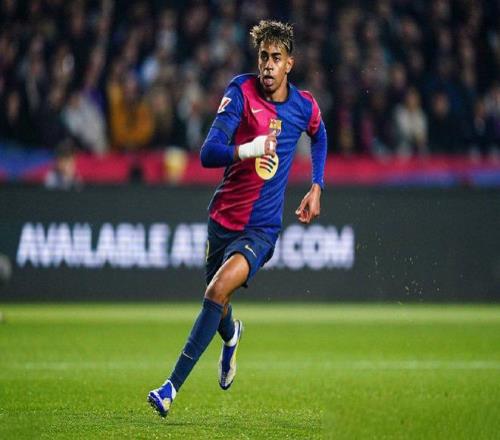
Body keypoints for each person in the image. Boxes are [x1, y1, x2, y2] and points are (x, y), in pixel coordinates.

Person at [147, 20, 327, 418]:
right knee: (219, 300)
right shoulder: (241, 92)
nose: (268, 64)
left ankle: (170, 388)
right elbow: (208, 153)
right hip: (222, 220)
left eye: (276, 58)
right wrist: (249, 148)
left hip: (261, 229)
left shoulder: (303, 105)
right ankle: (231, 338)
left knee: (215, 291)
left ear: (289, 64)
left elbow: (320, 134)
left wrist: (317, 185)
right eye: (263, 56)